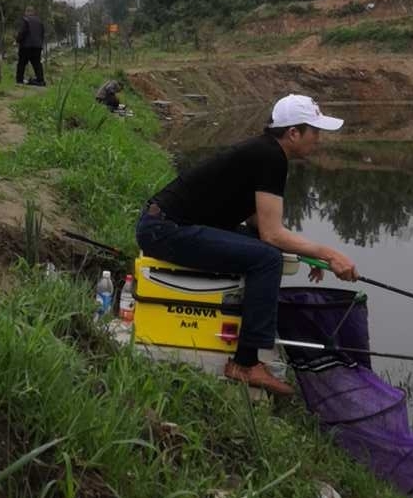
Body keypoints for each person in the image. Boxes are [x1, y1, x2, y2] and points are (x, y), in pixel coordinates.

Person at [136, 93, 359, 396]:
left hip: (168, 226)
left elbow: (259, 223)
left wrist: (305, 254)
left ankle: (249, 332)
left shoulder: (265, 152)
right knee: (267, 258)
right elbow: (272, 235)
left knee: (266, 251)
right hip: (165, 230)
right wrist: (329, 254)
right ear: (293, 133)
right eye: (315, 131)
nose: (318, 139)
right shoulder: (271, 158)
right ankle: (246, 362)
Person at [16, 10, 46, 86]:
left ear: (27, 12)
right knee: (37, 63)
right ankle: (40, 80)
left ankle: (19, 80)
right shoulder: (40, 21)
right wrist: (40, 43)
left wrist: (17, 40)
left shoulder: (26, 20)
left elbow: (22, 32)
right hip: (37, 46)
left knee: (22, 63)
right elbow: (42, 33)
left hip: (26, 46)